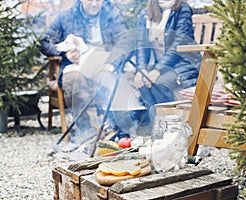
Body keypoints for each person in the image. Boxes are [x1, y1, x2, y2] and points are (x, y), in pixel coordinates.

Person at [40, 0, 133, 144]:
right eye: (90, 0)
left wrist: (113, 63)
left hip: (103, 64)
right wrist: (65, 54)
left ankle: (110, 128)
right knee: (74, 81)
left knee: (113, 79)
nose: (94, 3)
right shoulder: (66, 16)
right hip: (75, 66)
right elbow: (45, 42)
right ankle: (85, 131)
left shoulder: (111, 16)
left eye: (98, 0)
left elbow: (125, 41)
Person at [133, 0, 202, 132]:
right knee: (143, 83)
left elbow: (179, 43)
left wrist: (158, 70)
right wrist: (141, 69)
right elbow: (141, 44)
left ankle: (171, 129)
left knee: (159, 84)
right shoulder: (145, 13)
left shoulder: (182, 9)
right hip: (160, 65)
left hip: (184, 63)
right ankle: (157, 128)